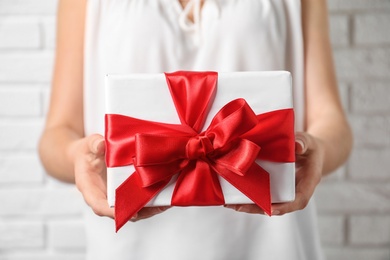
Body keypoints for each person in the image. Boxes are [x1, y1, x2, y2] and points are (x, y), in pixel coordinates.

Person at [39, 0, 353, 259]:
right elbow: (58, 133)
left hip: (273, 245)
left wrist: (318, 149)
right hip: (130, 247)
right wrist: (78, 156)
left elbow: (331, 120)